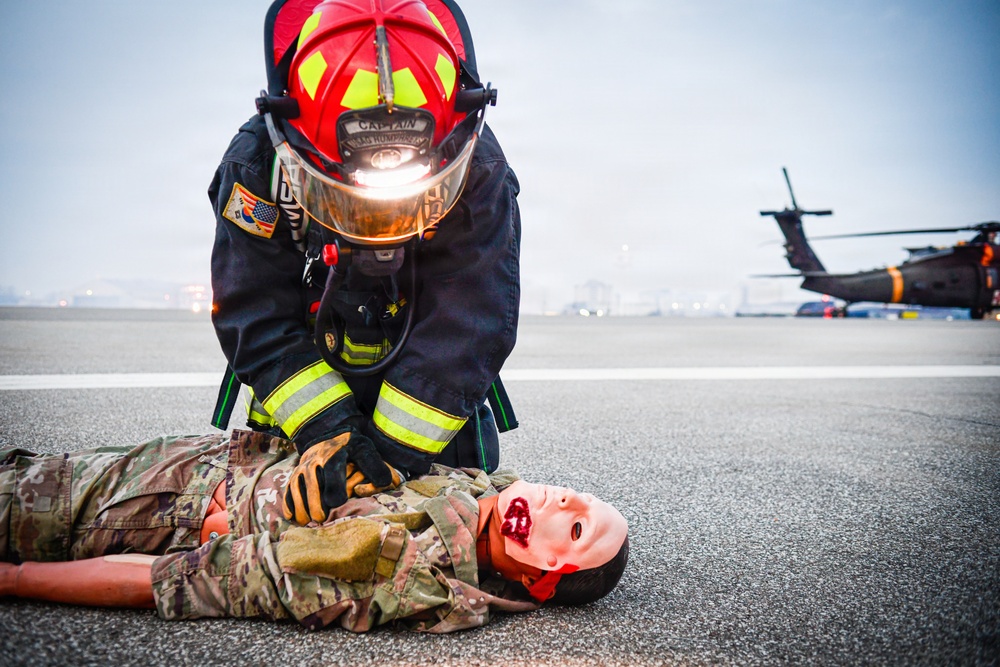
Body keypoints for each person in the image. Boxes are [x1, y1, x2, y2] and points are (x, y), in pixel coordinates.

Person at [209, 0, 522, 524]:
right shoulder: (259, 166)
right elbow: (251, 311)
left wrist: (394, 454)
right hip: (299, 425)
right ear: (298, 138)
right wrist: (329, 431)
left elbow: (472, 319)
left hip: (431, 419)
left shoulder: (478, 168)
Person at [0, 431, 629, 633]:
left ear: (544, 582)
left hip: (161, 506)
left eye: (575, 528)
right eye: (581, 496)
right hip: (202, 458)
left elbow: (186, 582)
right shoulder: (490, 488)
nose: (566, 501)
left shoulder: (404, 567)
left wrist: (16, 581)